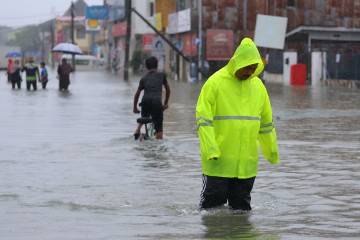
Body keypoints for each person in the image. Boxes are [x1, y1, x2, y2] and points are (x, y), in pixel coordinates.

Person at [195, 38, 280, 211]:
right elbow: (203, 119)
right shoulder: (214, 83)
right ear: (237, 62)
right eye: (247, 67)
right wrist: (211, 148)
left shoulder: (259, 87)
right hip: (219, 162)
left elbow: (266, 124)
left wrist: (271, 151)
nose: (250, 72)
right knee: (211, 210)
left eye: (254, 68)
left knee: (242, 211)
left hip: (246, 165)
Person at [133, 56, 170, 140]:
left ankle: (137, 130)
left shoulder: (144, 78)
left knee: (144, 116)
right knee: (159, 128)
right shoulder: (162, 76)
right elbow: (168, 90)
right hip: (157, 102)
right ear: (157, 65)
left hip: (145, 101)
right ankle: (158, 143)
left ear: (146, 67)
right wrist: (165, 103)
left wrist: (135, 107)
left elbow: (137, 94)